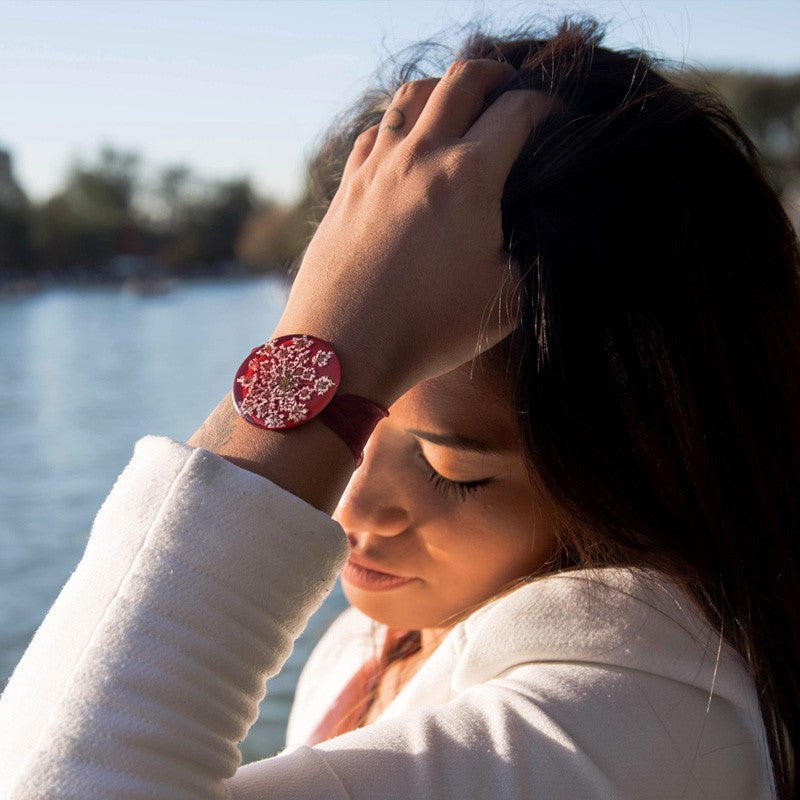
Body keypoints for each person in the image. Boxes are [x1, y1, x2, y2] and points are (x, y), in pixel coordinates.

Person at [0, 17, 797, 800]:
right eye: (355, 438)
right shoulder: (377, 637)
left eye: (452, 470)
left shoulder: (633, 732)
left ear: (644, 463)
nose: (348, 504)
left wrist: (323, 348)